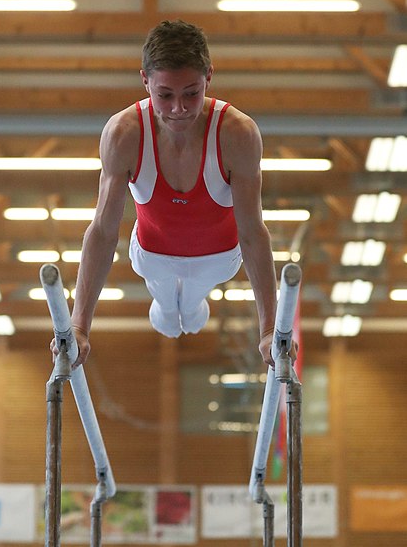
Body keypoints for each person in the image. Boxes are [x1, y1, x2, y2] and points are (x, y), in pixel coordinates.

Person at [53, 19, 284, 369]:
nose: (179, 108)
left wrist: (269, 330)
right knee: (166, 308)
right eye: (165, 95)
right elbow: (102, 230)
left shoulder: (237, 133)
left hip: (219, 258)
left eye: (191, 92)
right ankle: (168, 307)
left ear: (209, 76)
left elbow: (253, 231)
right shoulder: (124, 133)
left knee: (191, 309)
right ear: (145, 81)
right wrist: (79, 325)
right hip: (153, 253)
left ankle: (187, 307)